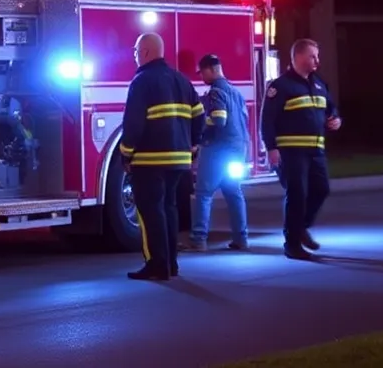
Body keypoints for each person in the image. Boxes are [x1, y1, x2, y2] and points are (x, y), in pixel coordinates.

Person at [119, 32, 205, 280]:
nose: (135, 56)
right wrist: (194, 143)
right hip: (178, 160)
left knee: (150, 212)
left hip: (149, 160)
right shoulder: (181, 79)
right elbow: (199, 115)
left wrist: (126, 153)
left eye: (136, 52)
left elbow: (133, 122)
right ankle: (171, 264)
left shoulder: (142, 81)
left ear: (145, 52)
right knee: (168, 208)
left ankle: (157, 264)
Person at [261, 37, 342, 260]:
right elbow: (267, 120)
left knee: (322, 189)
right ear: (297, 57)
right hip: (291, 152)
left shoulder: (319, 84)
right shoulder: (280, 86)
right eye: (312, 56)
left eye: (317, 56)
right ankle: (292, 244)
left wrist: (335, 120)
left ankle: (301, 227)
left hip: (316, 151)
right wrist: (271, 148)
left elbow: (332, 110)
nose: (317, 60)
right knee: (297, 194)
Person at [185, 54, 249, 251]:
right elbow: (244, 118)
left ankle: (198, 239)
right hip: (238, 148)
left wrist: (199, 128)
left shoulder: (216, 92)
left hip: (218, 150)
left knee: (204, 193)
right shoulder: (235, 92)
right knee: (233, 192)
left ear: (212, 69)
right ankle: (241, 238)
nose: (201, 76)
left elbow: (218, 120)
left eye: (202, 72)